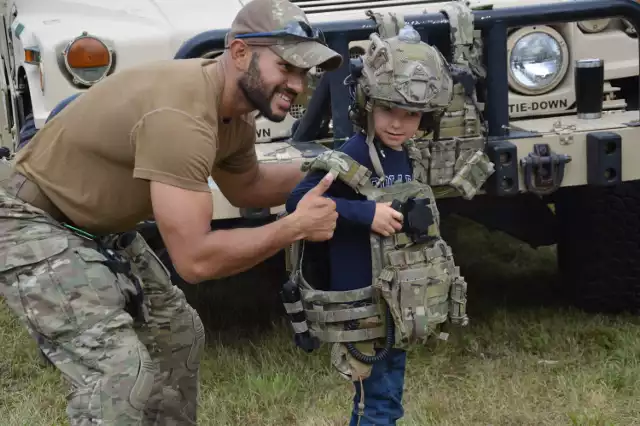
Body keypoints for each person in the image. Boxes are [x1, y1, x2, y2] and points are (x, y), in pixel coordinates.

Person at [0, 0, 342, 424]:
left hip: (96, 223)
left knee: (177, 335)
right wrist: (292, 228)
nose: (298, 84)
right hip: (29, 216)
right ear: (238, 53)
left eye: (304, 74)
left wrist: (330, 168)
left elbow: (246, 186)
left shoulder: (232, 114)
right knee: (119, 373)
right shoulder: (182, 117)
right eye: (287, 68)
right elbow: (195, 259)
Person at [284, 23, 472, 425]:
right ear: (368, 103)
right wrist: (366, 214)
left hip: (397, 305)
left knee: (382, 399)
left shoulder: (407, 155)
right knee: (379, 403)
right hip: (362, 306)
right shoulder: (354, 154)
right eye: (389, 110)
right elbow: (299, 201)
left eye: (411, 115)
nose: (398, 124)